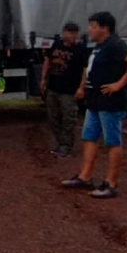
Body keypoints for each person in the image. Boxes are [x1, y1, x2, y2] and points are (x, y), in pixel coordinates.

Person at [62, 11, 127, 199]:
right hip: (95, 101)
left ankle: (111, 183)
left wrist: (119, 84)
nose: (89, 30)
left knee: (112, 142)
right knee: (89, 138)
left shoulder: (115, 45)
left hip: (110, 102)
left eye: (93, 26)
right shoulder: (100, 46)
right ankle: (85, 177)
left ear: (104, 29)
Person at [40, 22, 87, 158]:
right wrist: (43, 79)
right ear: (64, 33)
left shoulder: (81, 49)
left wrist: (81, 88)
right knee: (53, 117)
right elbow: (47, 61)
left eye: (75, 33)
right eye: (70, 33)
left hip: (69, 90)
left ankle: (66, 146)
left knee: (68, 119)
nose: (73, 36)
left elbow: (85, 69)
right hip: (53, 87)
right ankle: (60, 143)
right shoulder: (57, 45)